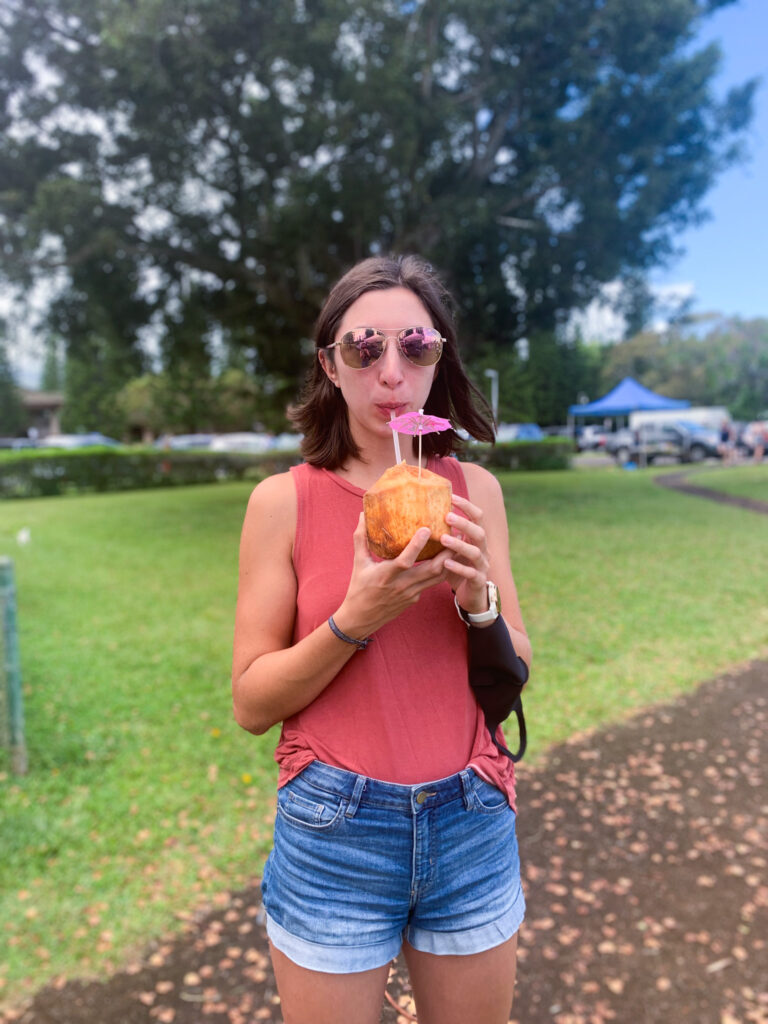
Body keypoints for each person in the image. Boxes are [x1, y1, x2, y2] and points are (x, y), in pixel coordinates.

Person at [232, 254, 532, 1024]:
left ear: (440, 360)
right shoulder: (283, 503)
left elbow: (517, 665)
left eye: (416, 347)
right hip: (336, 829)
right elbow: (252, 701)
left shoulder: (475, 493)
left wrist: (476, 600)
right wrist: (353, 621)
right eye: (366, 349)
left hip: (470, 819)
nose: (390, 372)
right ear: (331, 364)